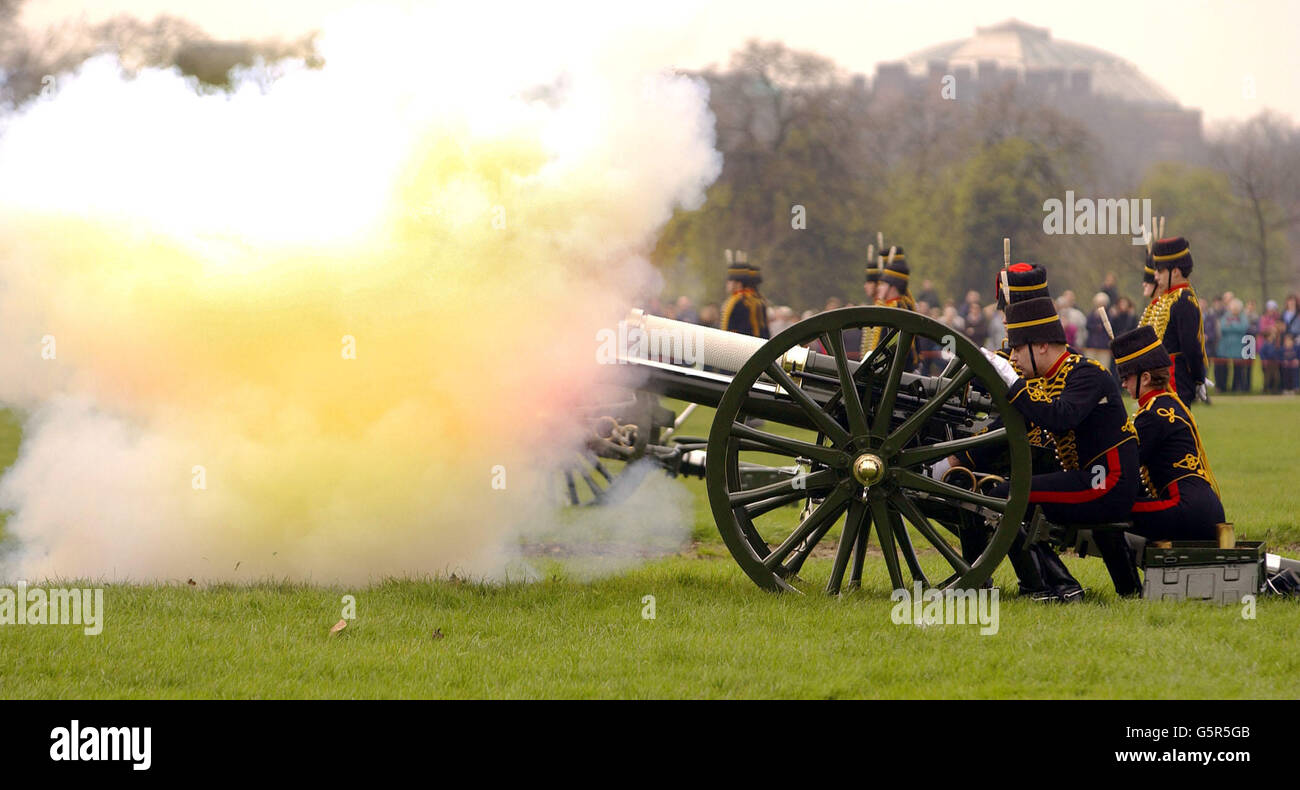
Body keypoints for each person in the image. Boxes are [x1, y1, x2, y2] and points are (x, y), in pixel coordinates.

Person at [979, 296, 1143, 600]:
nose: (1013, 358)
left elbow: (1060, 417)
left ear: (1041, 345)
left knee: (1006, 496)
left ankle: (1056, 587)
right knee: (1007, 490)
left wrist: (1013, 384)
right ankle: (1125, 592)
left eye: (1017, 349)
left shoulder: (1087, 372)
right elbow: (1018, 426)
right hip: (1093, 478)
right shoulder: (1050, 377)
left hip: (1106, 482)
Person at [1110, 325, 1224, 542]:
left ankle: (1127, 578)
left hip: (1184, 510)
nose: (1123, 383)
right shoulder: (1170, 403)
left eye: (1126, 376)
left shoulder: (1152, 415)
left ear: (1145, 378)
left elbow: (1123, 465)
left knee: (1107, 508)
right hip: (1207, 510)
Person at [1140, 237, 1209, 406]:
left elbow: (1191, 346)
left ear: (1176, 272)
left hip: (1174, 380)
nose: (1155, 276)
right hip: (1160, 378)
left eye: (1160, 271)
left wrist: (1198, 378)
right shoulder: (1168, 299)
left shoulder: (1183, 301)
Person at [720, 249, 769, 338]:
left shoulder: (738, 301)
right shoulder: (755, 299)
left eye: (730, 281)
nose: (727, 284)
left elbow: (733, 330)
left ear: (738, 284)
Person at [1084, 292, 1112, 368]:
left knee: (1103, 367)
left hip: (1103, 347)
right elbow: (1087, 325)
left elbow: (1110, 327)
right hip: (1091, 346)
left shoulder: (1109, 314)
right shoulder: (1091, 314)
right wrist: (1096, 327)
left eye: (1102, 302)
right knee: (1090, 366)